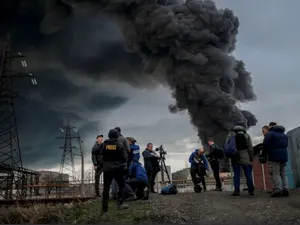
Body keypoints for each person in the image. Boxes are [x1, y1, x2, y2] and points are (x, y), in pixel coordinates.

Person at [101, 129, 128, 213]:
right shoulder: (119, 145)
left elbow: (100, 154)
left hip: (107, 169)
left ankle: (104, 208)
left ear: (109, 135)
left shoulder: (104, 145)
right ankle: (120, 204)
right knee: (121, 185)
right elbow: (125, 157)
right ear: (117, 136)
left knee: (106, 187)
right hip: (117, 168)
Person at [225, 123, 255, 197]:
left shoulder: (231, 134)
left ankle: (237, 191)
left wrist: (228, 155)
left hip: (235, 157)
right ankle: (251, 191)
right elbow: (250, 148)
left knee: (236, 175)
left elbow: (227, 145)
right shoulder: (247, 135)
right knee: (248, 174)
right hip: (245, 156)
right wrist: (251, 158)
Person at [263, 122, 289, 197]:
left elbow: (265, 144)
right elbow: (286, 144)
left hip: (274, 157)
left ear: (270, 126)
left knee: (276, 173)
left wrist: (264, 154)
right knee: (283, 173)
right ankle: (286, 189)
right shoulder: (283, 134)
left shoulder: (270, 134)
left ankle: (277, 190)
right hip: (284, 156)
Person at [111, 127, 130, 199]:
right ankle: (122, 194)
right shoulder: (123, 139)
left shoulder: (111, 140)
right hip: (123, 161)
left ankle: (113, 194)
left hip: (113, 162)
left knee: (114, 178)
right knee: (122, 178)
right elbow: (128, 149)